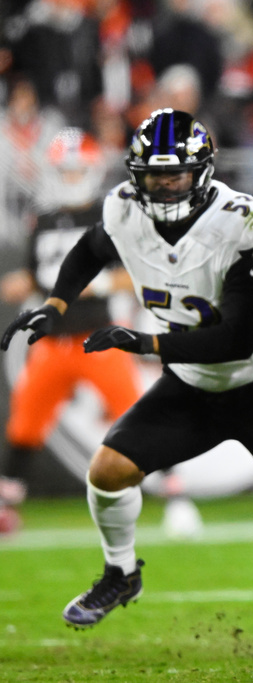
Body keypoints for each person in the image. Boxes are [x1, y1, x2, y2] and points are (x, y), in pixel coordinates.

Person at [0, 109, 253, 661]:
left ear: (203, 171)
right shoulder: (121, 207)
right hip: (190, 385)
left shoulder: (243, 221)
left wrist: (143, 343)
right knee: (108, 472)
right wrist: (55, 304)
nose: (164, 186)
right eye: (154, 175)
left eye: (176, 174)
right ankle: (120, 572)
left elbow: (235, 339)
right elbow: (91, 248)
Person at [0, 128, 140, 508]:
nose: (71, 178)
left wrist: (91, 284)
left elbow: (136, 272)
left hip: (98, 337)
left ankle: (177, 495)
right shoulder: (43, 220)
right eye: (64, 171)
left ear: (93, 171)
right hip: (53, 340)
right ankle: (7, 505)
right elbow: (39, 273)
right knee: (25, 422)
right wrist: (24, 281)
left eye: (77, 170)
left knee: (136, 415)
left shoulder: (109, 215)